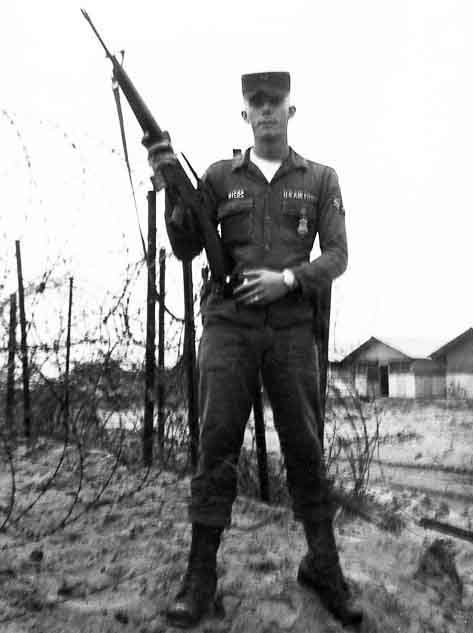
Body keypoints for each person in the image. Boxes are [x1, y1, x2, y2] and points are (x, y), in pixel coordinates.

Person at [148, 71, 362, 629]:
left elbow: (337, 256)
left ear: (292, 111)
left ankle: (323, 565)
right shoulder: (219, 178)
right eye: (256, 103)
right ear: (245, 116)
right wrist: (171, 186)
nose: (266, 111)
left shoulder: (320, 179)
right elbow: (184, 247)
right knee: (216, 442)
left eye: (275, 102)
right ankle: (201, 578)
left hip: (292, 328)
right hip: (229, 326)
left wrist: (287, 281)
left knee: (305, 449)